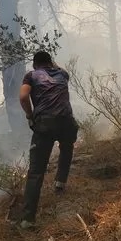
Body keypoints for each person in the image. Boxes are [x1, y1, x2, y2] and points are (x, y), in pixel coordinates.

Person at [17, 51, 79, 230]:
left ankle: (28, 219)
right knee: (67, 146)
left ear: (35, 64)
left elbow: (23, 97)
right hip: (66, 121)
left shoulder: (32, 75)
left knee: (36, 171)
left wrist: (30, 115)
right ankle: (60, 182)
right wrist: (54, 64)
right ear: (51, 62)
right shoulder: (62, 74)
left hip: (45, 123)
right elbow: (60, 69)